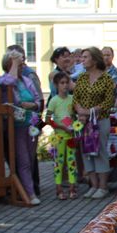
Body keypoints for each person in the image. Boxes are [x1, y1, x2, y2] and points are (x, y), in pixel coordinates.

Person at [0, 50, 43, 205]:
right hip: (15, 126)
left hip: (30, 125)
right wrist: (14, 64)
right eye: (19, 64)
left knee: (30, 158)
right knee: (23, 161)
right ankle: (29, 194)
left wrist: (33, 105)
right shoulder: (2, 79)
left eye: (22, 64)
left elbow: (37, 99)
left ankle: (28, 190)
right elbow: (10, 81)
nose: (22, 66)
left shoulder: (27, 80)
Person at [73, 47, 116, 199]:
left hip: (100, 120)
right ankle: (94, 185)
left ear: (95, 59)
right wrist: (80, 112)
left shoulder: (106, 79)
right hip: (83, 121)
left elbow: (108, 102)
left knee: (100, 152)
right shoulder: (82, 78)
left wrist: (90, 111)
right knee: (86, 152)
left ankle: (103, 186)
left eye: (85, 57)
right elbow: (75, 98)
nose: (82, 60)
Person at [46, 71, 78, 200]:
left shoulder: (72, 99)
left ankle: (72, 187)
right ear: (56, 85)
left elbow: (76, 115)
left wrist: (75, 125)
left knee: (71, 162)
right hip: (59, 136)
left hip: (70, 136)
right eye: (62, 83)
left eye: (67, 82)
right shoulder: (54, 101)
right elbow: (48, 119)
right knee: (59, 163)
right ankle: (58, 188)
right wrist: (61, 127)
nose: (65, 86)